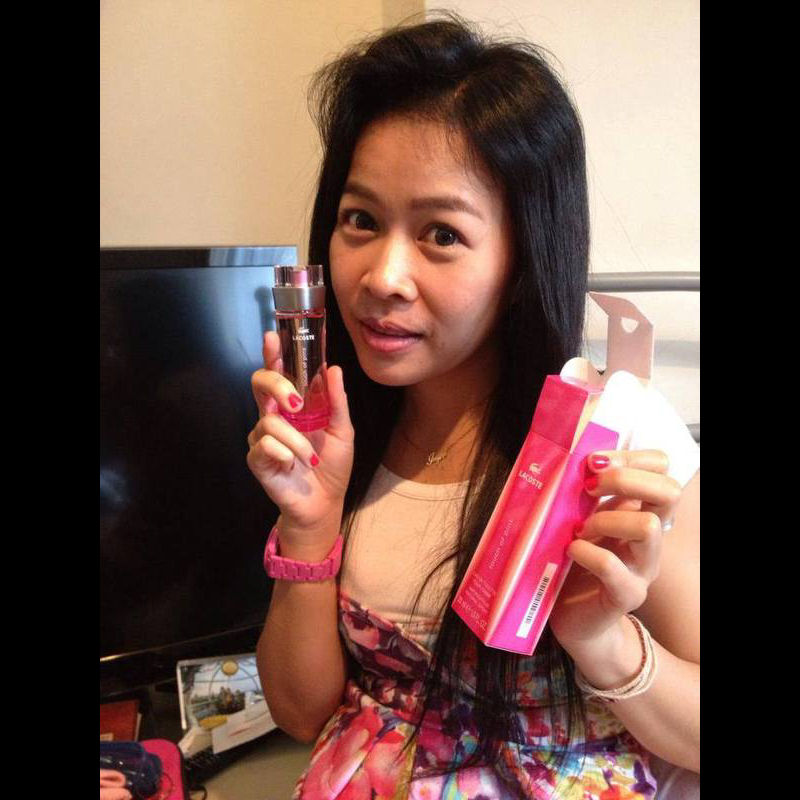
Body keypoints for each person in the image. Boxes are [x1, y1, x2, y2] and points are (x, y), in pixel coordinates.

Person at [247, 14, 699, 800]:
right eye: (361, 220)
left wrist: (602, 640)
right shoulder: (344, 426)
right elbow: (302, 712)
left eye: (442, 235)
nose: (382, 276)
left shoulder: (615, 439)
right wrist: (308, 525)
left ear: (522, 258)